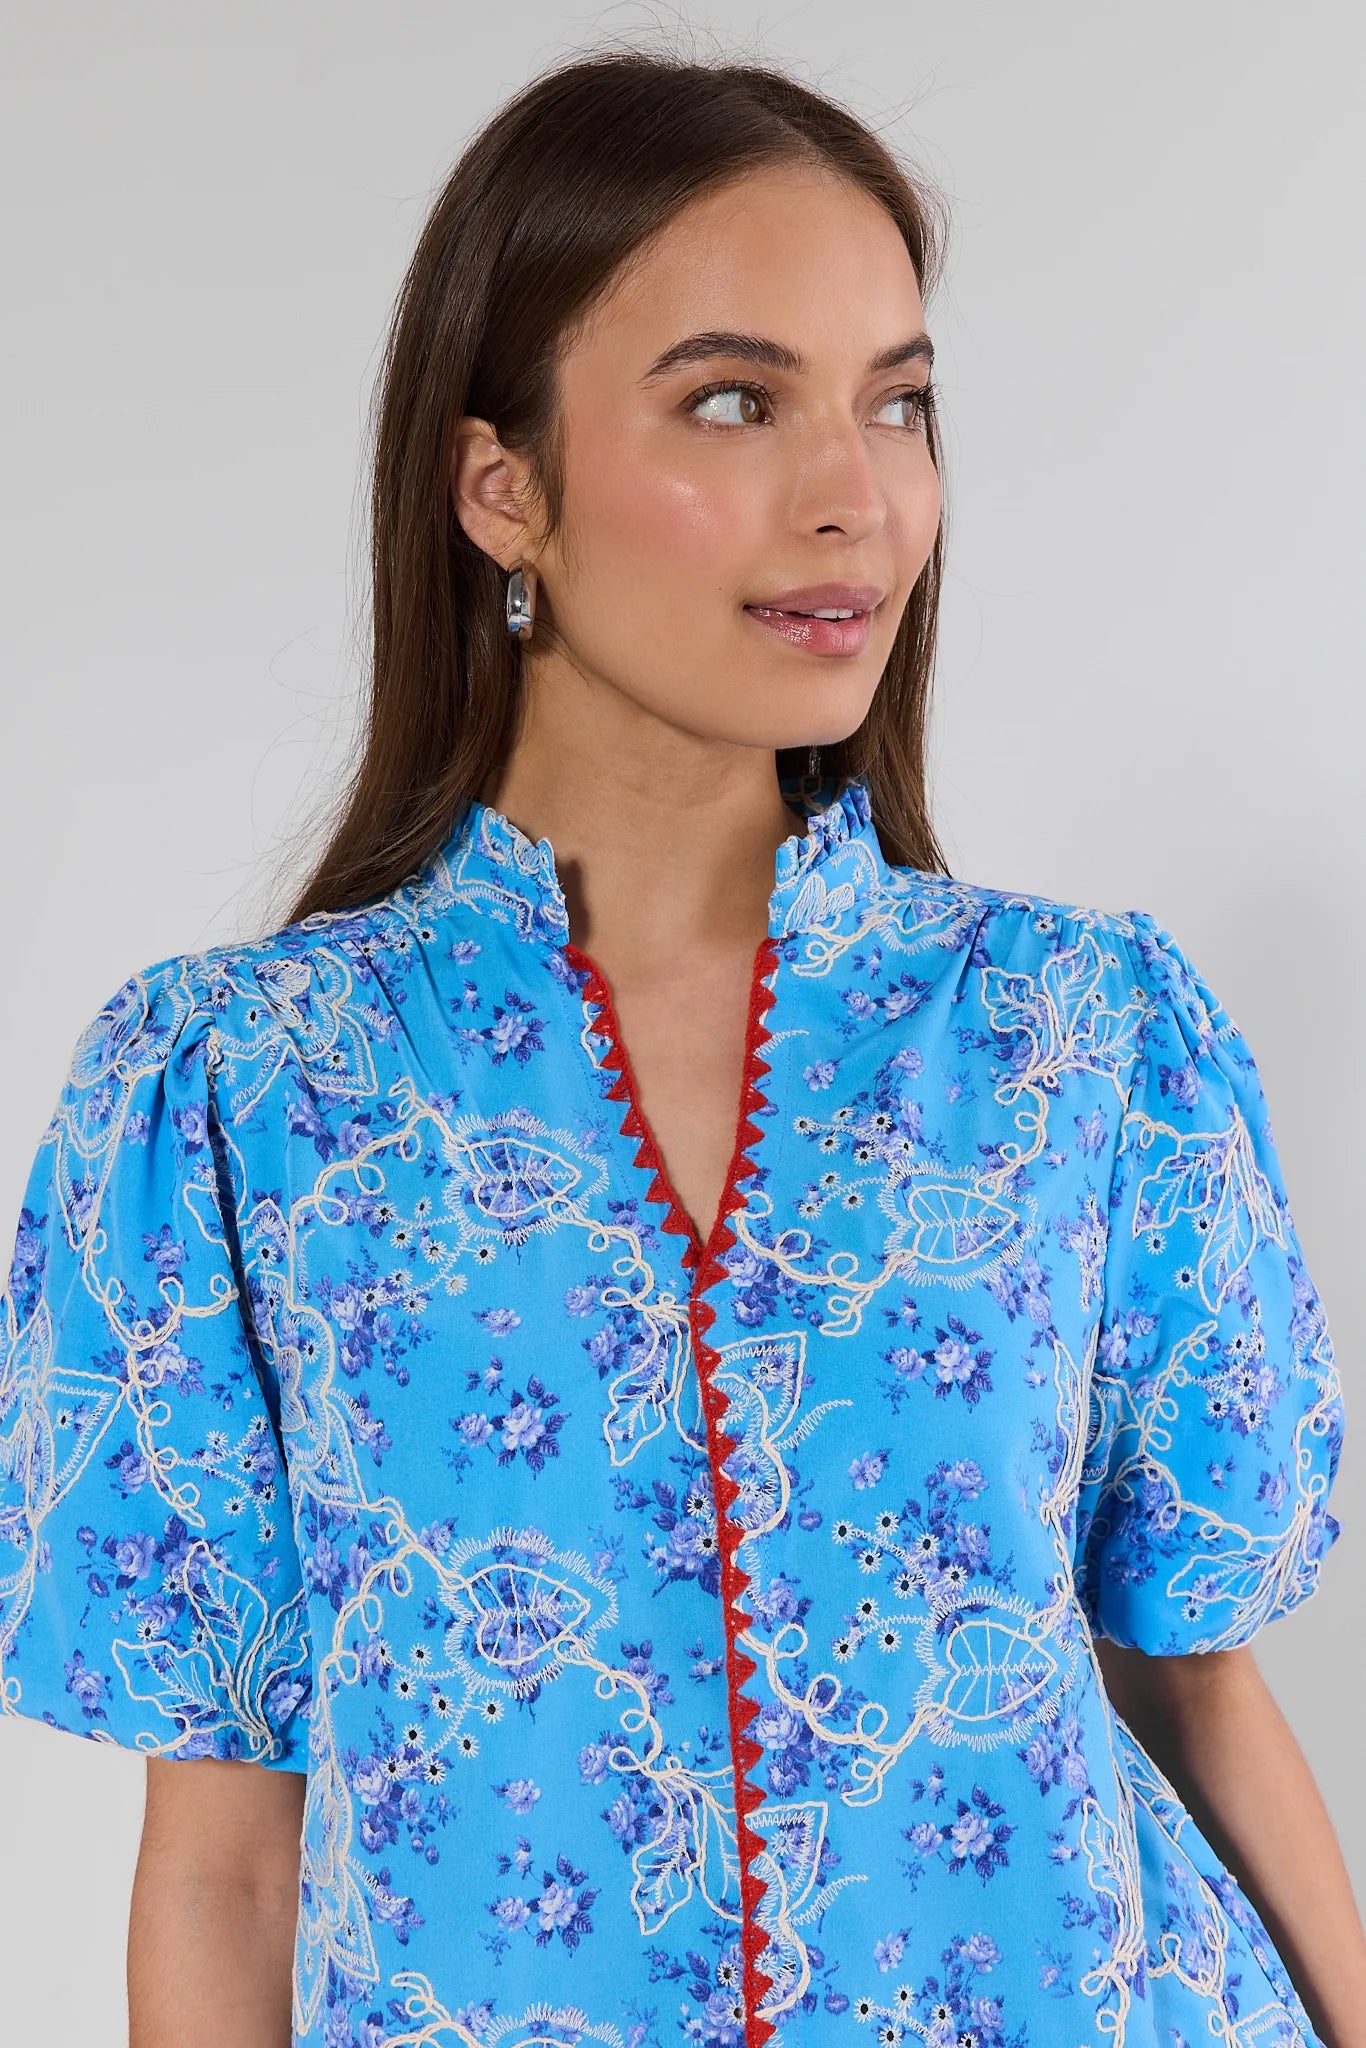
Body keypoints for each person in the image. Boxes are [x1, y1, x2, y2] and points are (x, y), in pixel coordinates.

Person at [1, 43, 1359, 2048]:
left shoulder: (1084, 1038)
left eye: (897, 405)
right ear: (500, 490)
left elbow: (1196, 1684)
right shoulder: (235, 1099)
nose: (854, 495)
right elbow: (222, 1853)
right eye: (735, 400)